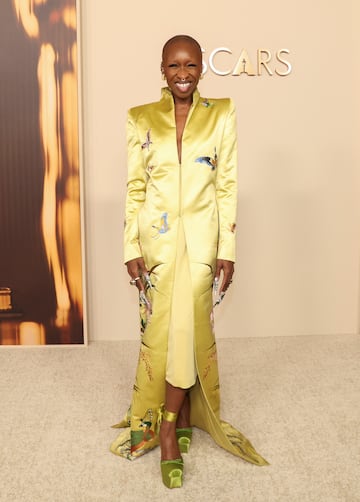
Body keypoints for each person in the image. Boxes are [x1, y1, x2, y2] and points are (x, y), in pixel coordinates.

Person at [111, 34, 268, 489]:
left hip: (201, 245)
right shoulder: (139, 118)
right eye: (174, 65)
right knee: (165, 332)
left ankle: (168, 425)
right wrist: (130, 248)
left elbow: (227, 185)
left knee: (187, 329)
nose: (183, 73)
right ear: (162, 69)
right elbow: (135, 188)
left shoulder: (221, 112)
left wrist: (227, 250)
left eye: (191, 65)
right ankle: (173, 422)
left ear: (202, 69)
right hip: (155, 244)